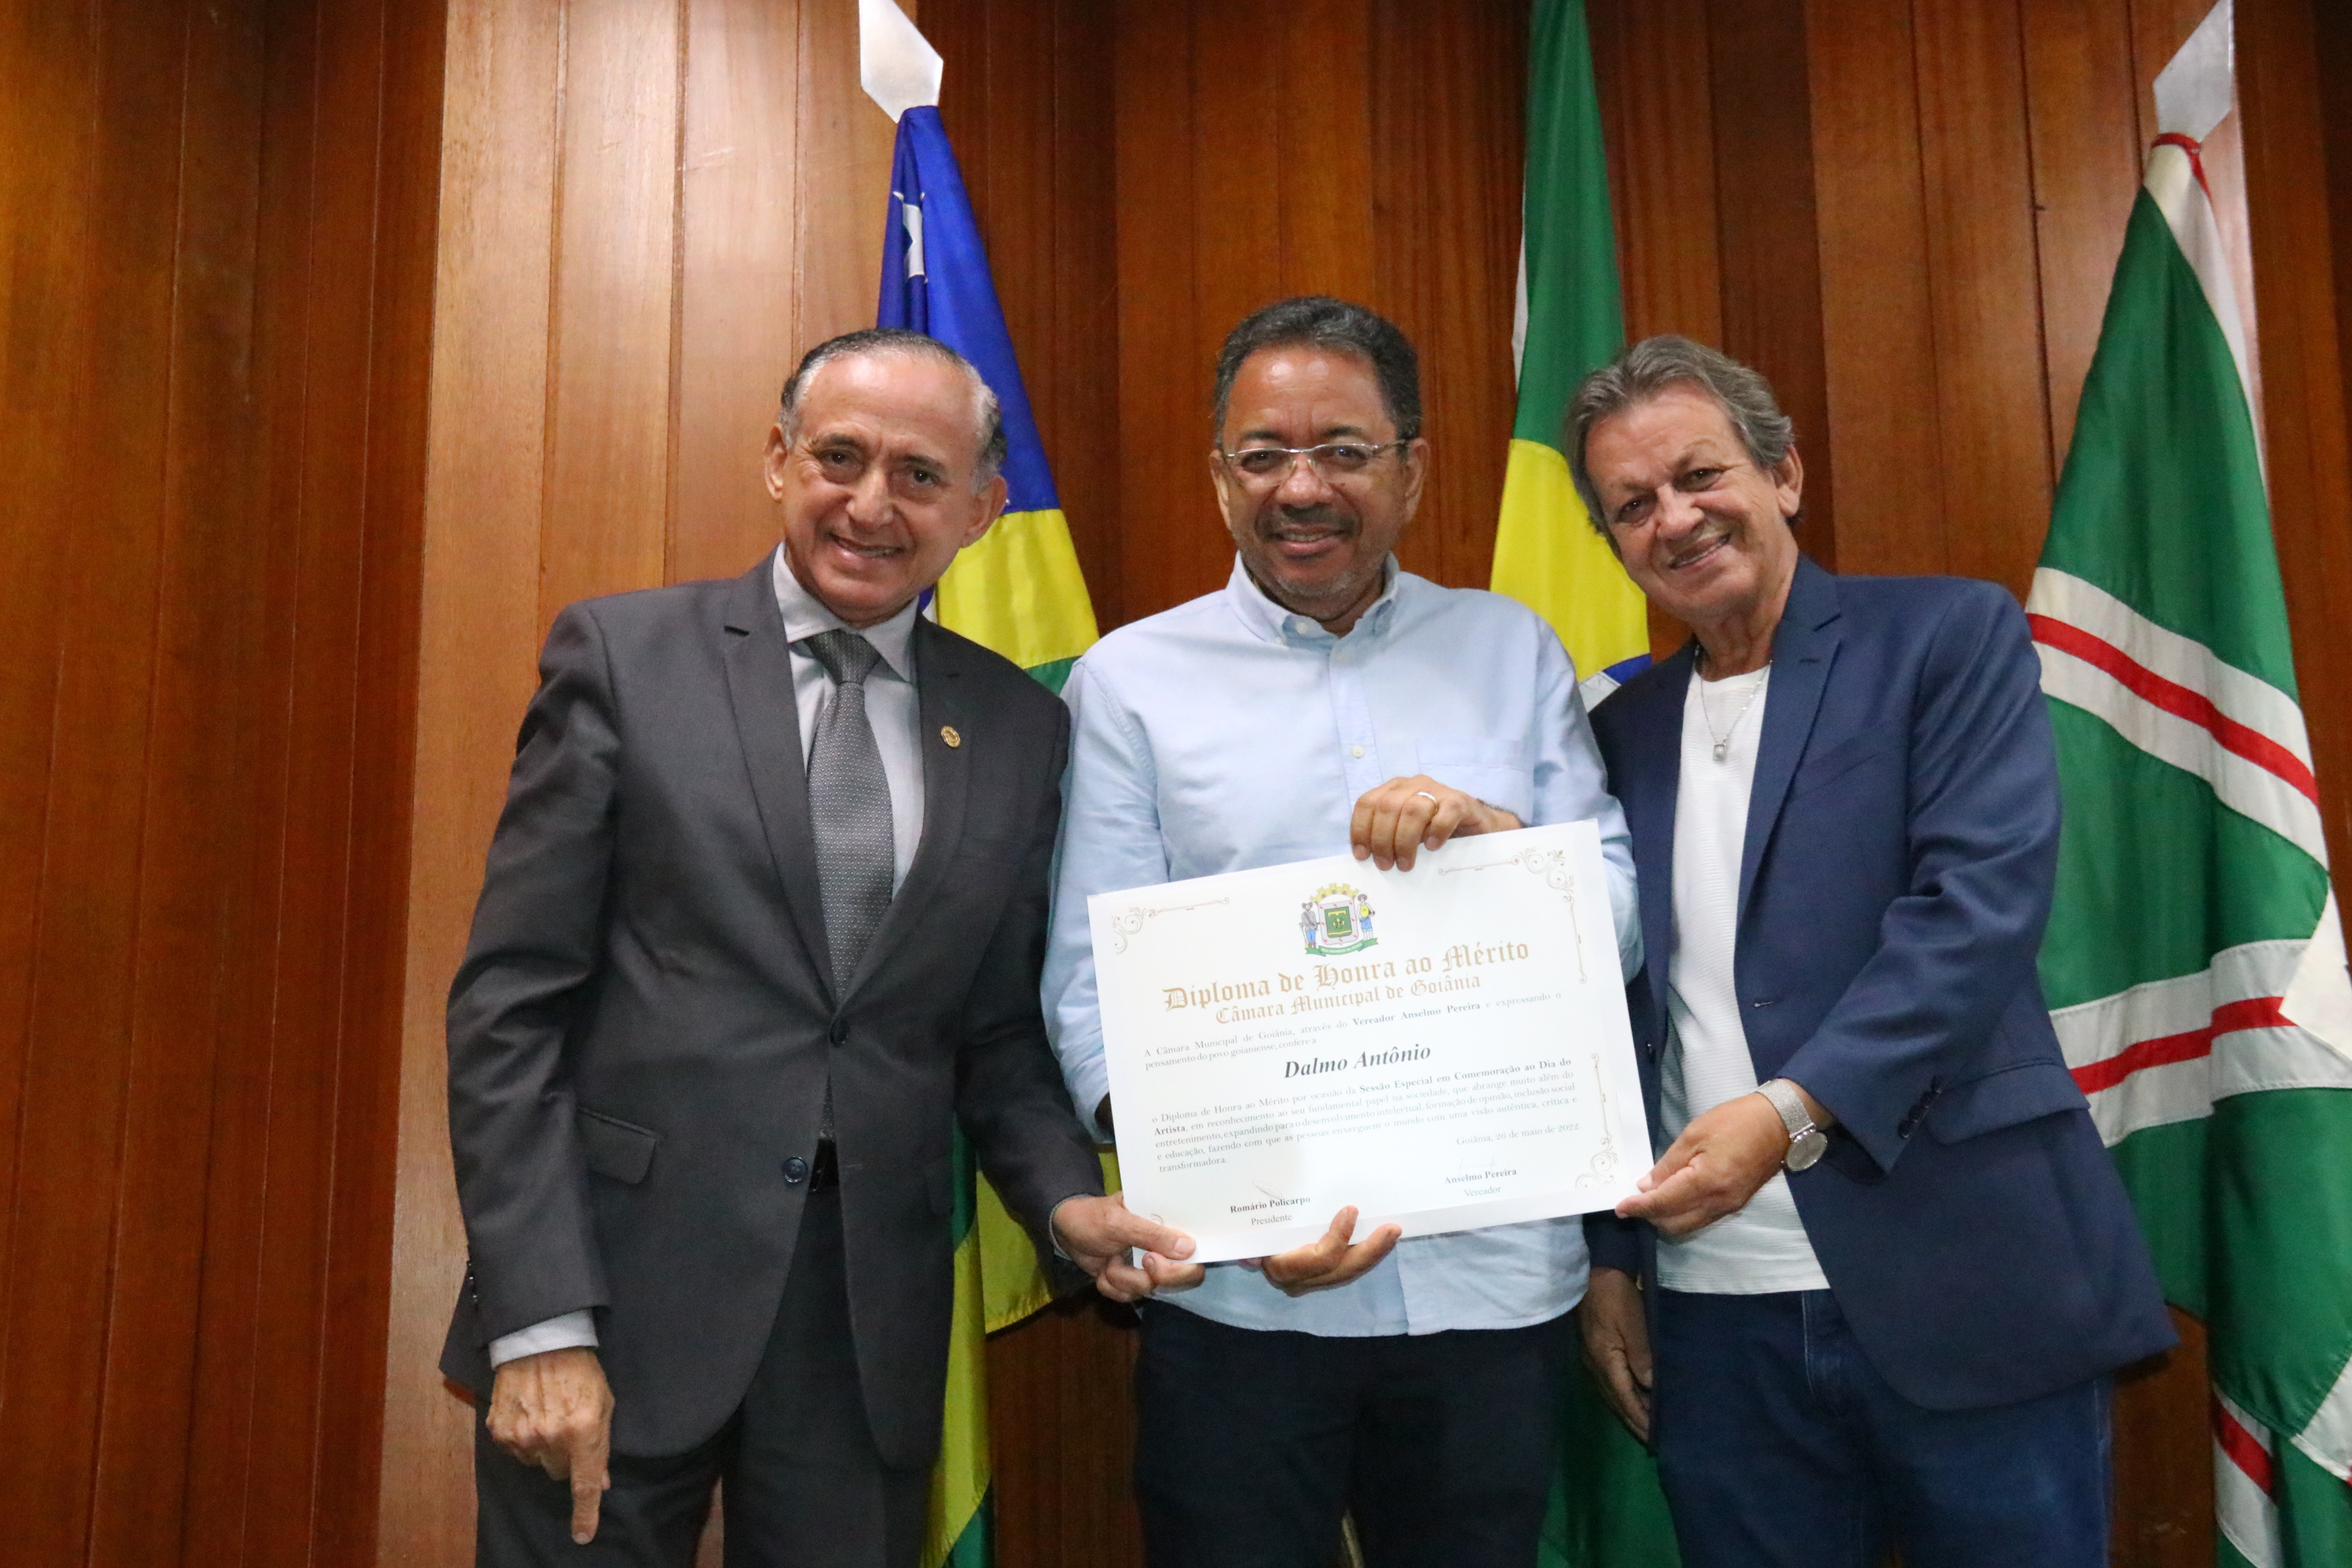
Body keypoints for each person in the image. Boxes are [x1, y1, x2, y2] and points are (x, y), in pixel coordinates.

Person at [441, 328, 1189, 1568]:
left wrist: (1067, 1206)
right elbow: (510, 1009)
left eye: (920, 475)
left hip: (864, 1328)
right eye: (840, 457)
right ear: (779, 461)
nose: (870, 504)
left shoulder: (1018, 725)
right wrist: (541, 1319)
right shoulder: (624, 661)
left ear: (981, 510)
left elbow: (993, 1033)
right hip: (615, 1299)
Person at [1042, 296, 1642, 1568]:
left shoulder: (1512, 650)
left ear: (1411, 470)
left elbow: (1620, 924)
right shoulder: (1130, 683)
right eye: (1264, 455)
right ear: (1220, 478)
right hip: (1243, 1309)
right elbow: (1093, 989)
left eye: (1344, 451)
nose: (1301, 487)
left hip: (1490, 1290)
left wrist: (1502, 853)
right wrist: (1245, 1198)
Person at [1567, 335, 2173, 1566]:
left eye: (1700, 475)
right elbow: (1612, 1002)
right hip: (1715, 1322)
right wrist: (1611, 1262)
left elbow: (1976, 910)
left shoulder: (1945, 636)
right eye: (1633, 504)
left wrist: (1788, 1112)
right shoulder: (1617, 730)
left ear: (1783, 474)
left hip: (1967, 1275)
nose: (1674, 518)